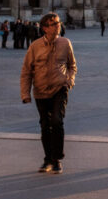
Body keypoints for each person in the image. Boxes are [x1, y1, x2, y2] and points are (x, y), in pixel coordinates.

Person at [20, 13, 76, 174]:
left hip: (60, 88)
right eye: (54, 24)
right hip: (41, 90)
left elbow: (72, 65)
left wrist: (69, 80)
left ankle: (56, 158)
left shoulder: (66, 43)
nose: (58, 25)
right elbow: (26, 72)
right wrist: (25, 93)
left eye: (58, 23)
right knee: (45, 125)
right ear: (45, 28)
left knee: (57, 121)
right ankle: (48, 159)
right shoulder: (35, 46)